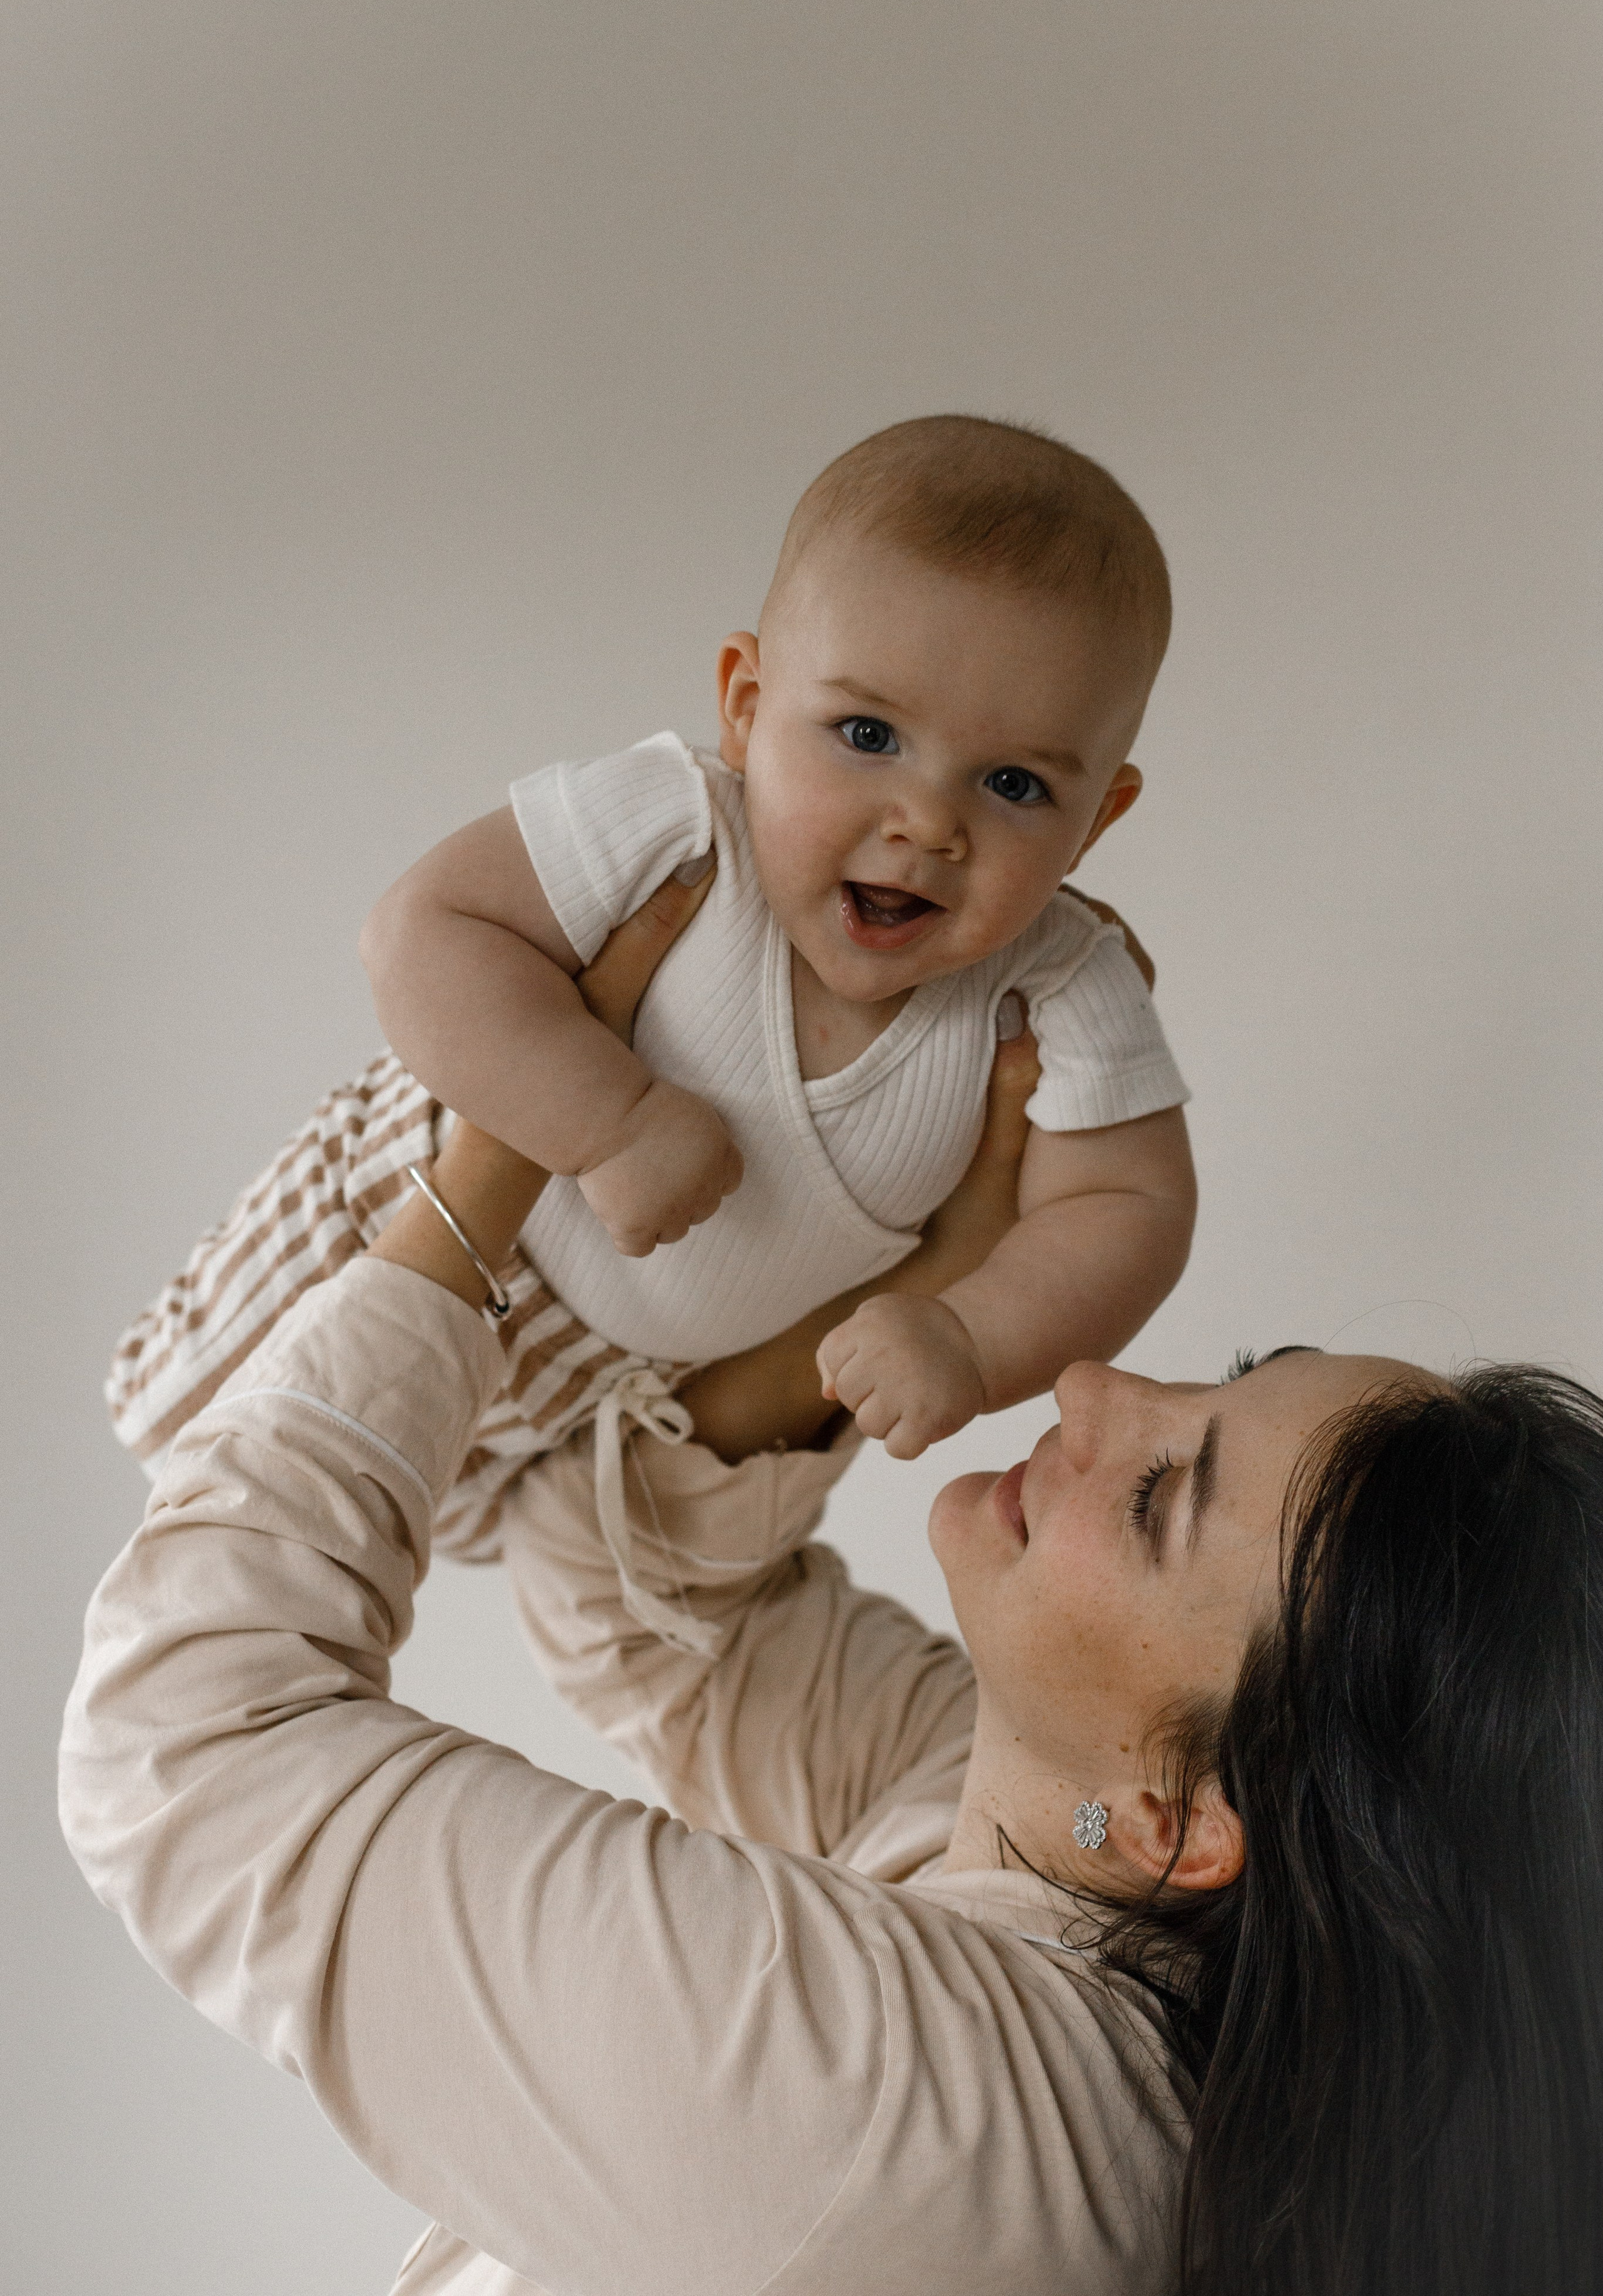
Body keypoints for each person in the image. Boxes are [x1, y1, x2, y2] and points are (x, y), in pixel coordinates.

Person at [63, 887, 1603, 2296]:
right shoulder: (1055, 1868)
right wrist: (928, 1270)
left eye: (1155, 1495)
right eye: (1207, 1385)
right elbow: (658, 1615)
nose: (1083, 1386)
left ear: (1183, 1821)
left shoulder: (899, 2114)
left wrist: (487, 1168)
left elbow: (190, 1743)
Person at [356, 411, 1197, 1463]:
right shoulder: (676, 826)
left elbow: (1129, 1208)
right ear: (747, 707)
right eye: (868, 736)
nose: (930, 824)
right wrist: (608, 1125)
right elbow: (425, 929)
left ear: (1096, 822)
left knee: (634, 1607)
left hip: (647, 1406)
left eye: (1015, 785)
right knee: (258, 1476)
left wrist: (970, 1335)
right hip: (405, 1219)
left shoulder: (1062, 981)